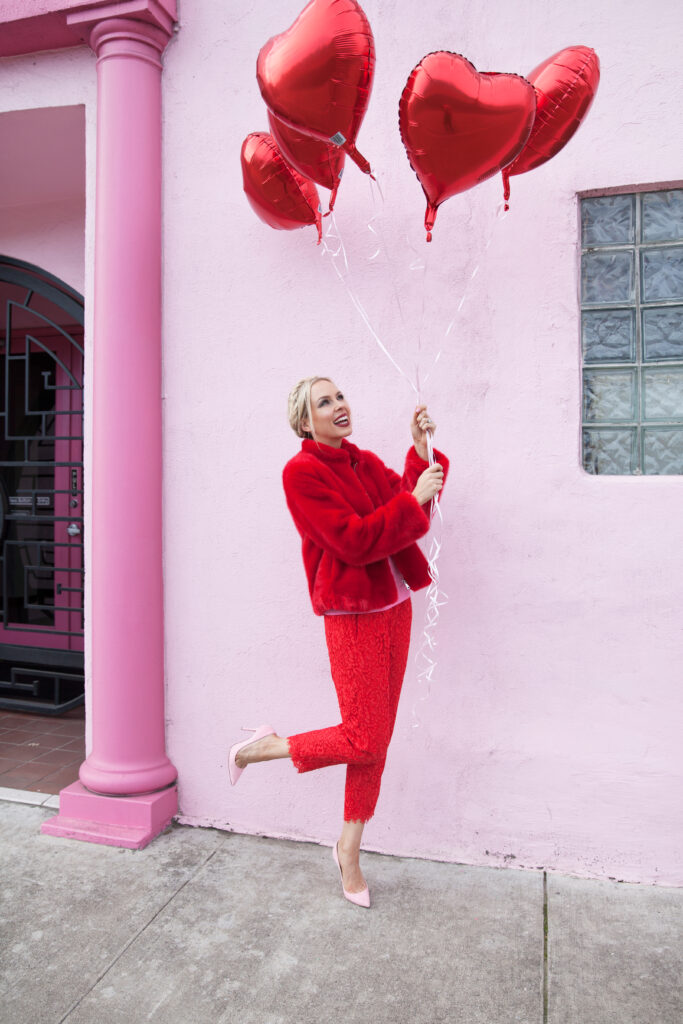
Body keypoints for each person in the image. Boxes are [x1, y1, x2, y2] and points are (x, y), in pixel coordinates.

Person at [228, 376, 448, 907]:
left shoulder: (363, 459)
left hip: (395, 608)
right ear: (305, 422)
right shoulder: (300, 473)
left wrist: (420, 457)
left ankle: (349, 848)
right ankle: (264, 749)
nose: (338, 405)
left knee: (375, 740)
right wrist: (412, 499)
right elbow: (353, 541)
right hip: (352, 614)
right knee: (364, 736)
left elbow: (407, 507)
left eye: (340, 396)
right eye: (323, 402)